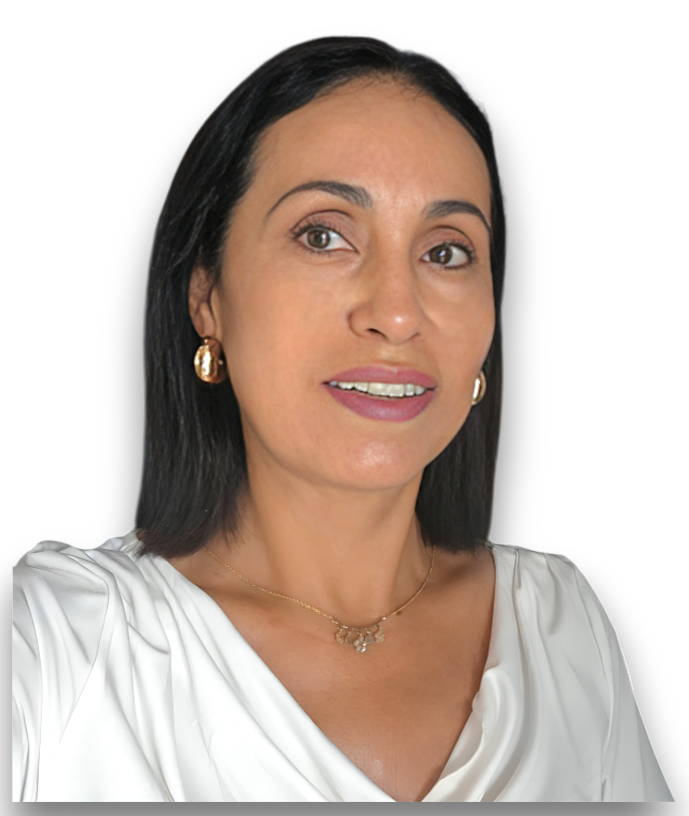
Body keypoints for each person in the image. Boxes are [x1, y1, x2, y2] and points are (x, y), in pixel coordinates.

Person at [12, 36, 674, 802]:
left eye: (446, 252)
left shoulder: (560, 623)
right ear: (207, 299)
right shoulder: (55, 642)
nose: (396, 313)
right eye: (323, 235)